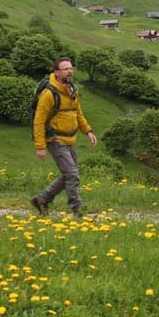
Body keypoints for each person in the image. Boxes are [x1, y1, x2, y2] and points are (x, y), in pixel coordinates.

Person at [31, 57, 97, 216]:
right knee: (72, 175)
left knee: (69, 174)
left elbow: (78, 113)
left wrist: (88, 131)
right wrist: (40, 146)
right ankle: (78, 210)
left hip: (70, 140)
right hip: (55, 140)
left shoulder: (72, 90)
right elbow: (38, 121)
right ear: (57, 72)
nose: (70, 71)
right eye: (65, 69)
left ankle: (42, 199)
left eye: (71, 68)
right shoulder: (49, 94)